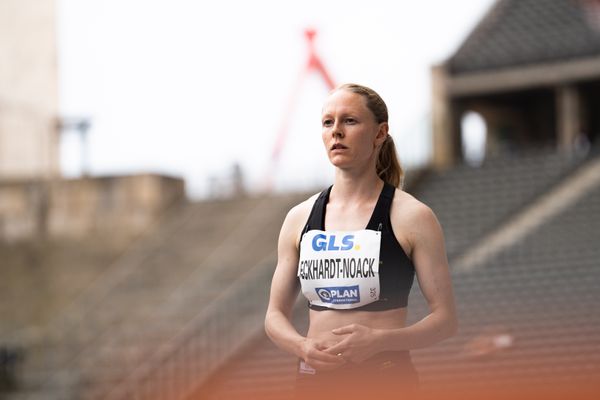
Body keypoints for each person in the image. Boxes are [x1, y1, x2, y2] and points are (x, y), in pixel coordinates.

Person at [264, 83, 457, 399]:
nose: (336, 131)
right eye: (328, 122)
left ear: (380, 133)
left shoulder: (412, 216)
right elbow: (274, 316)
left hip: (384, 380)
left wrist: (380, 340)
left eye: (350, 121)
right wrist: (302, 346)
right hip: (313, 381)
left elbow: (446, 320)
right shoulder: (298, 218)